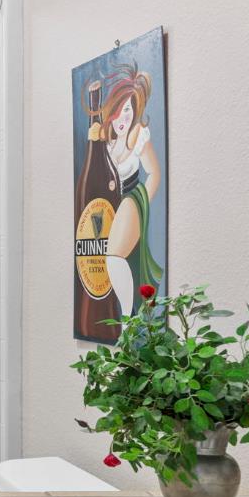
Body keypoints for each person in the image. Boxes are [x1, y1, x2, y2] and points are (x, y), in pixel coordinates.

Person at [101, 66, 163, 318]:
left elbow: (154, 174)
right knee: (118, 262)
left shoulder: (138, 135)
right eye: (117, 111)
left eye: (127, 110)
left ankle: (127, 318)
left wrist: (141, 206)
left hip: (132, 197)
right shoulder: (108, 143)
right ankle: (129, 316)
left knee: (114, 258)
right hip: (111, 206)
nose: (122, 118)